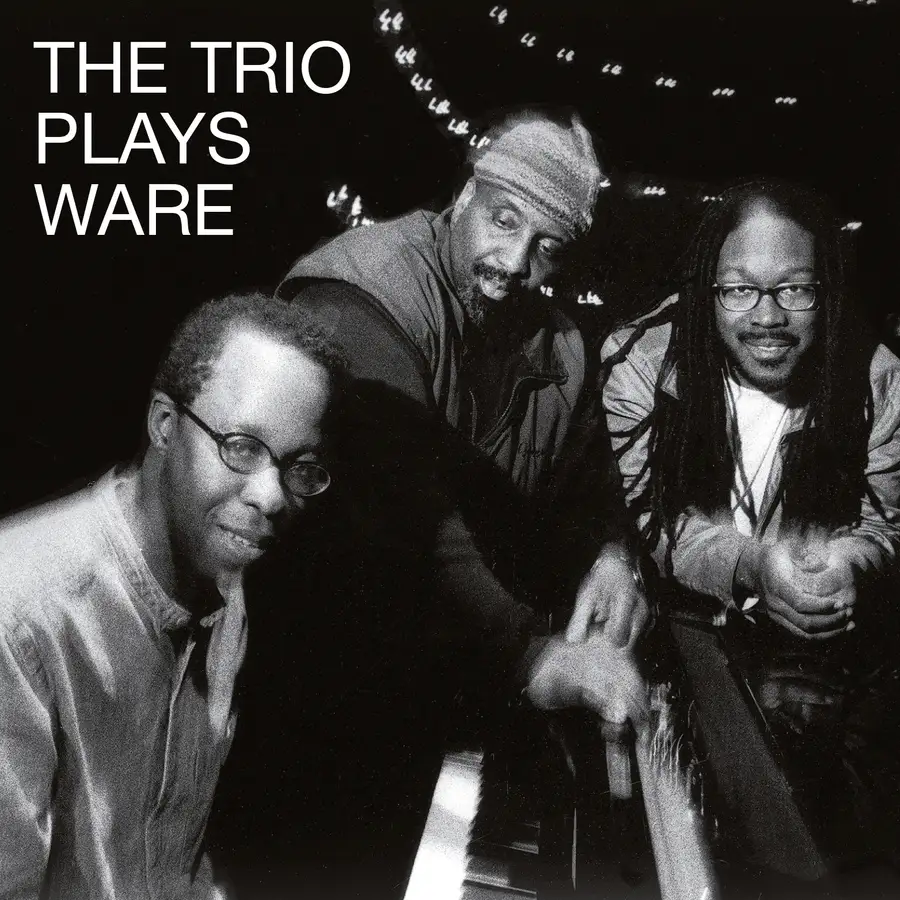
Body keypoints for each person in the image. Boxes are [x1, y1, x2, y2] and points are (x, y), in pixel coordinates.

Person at [215, 107, 649, 896]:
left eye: (546, 246)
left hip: (439, 692)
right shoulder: (360, 299)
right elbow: (407, 520)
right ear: (465, 195)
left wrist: (611, 555)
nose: (513, 263)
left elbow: (586, 487)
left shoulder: (559, 345)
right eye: (504, 221)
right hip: (303, 702)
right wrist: (534, 657)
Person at [596, 179, 900, 883]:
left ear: (827, 291)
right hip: (667, 648)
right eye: (739, 290)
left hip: (805, 681)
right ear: (707, 290)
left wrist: (848, 565)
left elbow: (884, 524)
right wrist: (750, 565)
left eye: (796, 290)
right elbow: (643, 519)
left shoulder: (881, 380)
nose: (768, 317)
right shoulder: (639, 363)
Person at [0, 292, 341, 899]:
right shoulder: (18, 615)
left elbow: (174, 866)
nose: (272, 497)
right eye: (242, 447)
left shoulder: (227, 582)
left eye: (299, 466)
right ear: (164, 425)